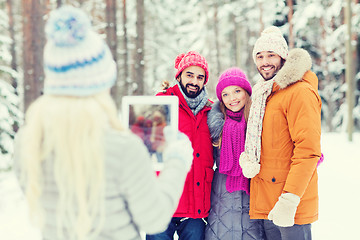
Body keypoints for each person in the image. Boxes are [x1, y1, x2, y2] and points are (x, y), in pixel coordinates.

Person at [13, 5, 193, 240]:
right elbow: (154, 218)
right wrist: (177, 160)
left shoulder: (27, 141)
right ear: (100, 84)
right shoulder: (122, 147)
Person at [239, 26, 322, 240]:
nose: (265, 61)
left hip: (290, 204)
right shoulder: (264, 93)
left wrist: (289, 200)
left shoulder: (299, 92)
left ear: (283, 57)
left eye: (271, 55)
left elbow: (308, 151)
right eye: (260, 56)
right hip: (268, 202)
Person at [146, 51, 214, 240]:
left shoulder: (211, 110)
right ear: (179, 76)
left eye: (200, 77)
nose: (194, 81)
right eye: (189, 75)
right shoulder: (161, 104)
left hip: (196, 204)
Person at [204, 67, 264, 239]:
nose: (233, 98)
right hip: (221, 198)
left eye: (237, 91)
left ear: (246, 92)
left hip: (253, 193)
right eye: (226, 94)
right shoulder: (215, 124)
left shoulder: (259, 121)